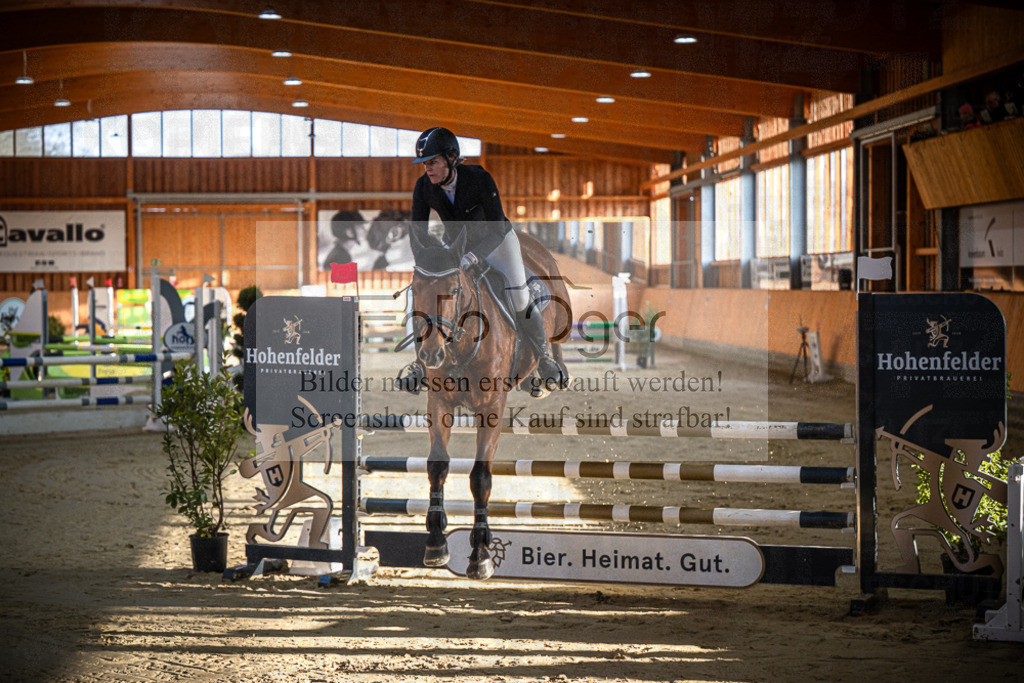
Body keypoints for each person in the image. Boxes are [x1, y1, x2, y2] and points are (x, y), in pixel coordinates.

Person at [397, 126, 565, 393]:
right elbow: (418, 232)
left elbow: (497, 227)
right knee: (423, 294)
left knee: (520, 295)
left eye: (433, 162)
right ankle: (420, 365)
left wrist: (474, 256)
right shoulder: (423, 187)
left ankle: (544, 357)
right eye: (424, 164)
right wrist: (429, 262)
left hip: (497, 242)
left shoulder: (478, 178)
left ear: (452, 158)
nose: (428, 169)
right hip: (456, 248)